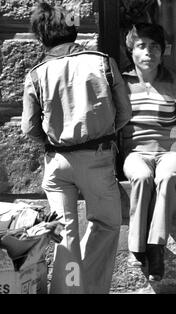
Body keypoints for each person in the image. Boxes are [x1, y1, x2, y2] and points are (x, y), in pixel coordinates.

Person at [21, 3, 132, 293]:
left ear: (40, 37)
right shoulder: (103, 62)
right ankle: (91, 289)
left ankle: (68, 290)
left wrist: (51, 142)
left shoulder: (36, 74)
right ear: (73, 28)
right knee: (106, 224)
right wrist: (102, 134)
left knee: (64, 234)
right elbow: (124, 113)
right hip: (96, 157)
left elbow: (29, 127)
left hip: (56, 161)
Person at [121, 23, 176, 282]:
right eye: (141, 46)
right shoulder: (123, 85)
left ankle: (156, 247)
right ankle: (136, 249)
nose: (148, 52)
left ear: (163, 52)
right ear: (131, 52)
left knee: (169, 175)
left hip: (168, 152)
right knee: (140, 177)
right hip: (136, 153)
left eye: (154, 46)